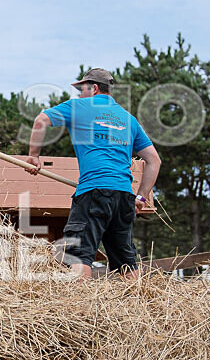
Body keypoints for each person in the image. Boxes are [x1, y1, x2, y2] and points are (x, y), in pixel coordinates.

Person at [25, 68, 161, 279]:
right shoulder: (128, 119)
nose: (79, 94)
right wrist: (141, 197)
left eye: (82, 89)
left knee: (78, 256)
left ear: (94, 88)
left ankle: (82, 310)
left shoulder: (79, 107)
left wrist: (34, 156)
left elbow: (40, 121)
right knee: (126, 263)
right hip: (124, 196)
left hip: (92, 192)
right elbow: (154, 160)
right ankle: (140, 307)